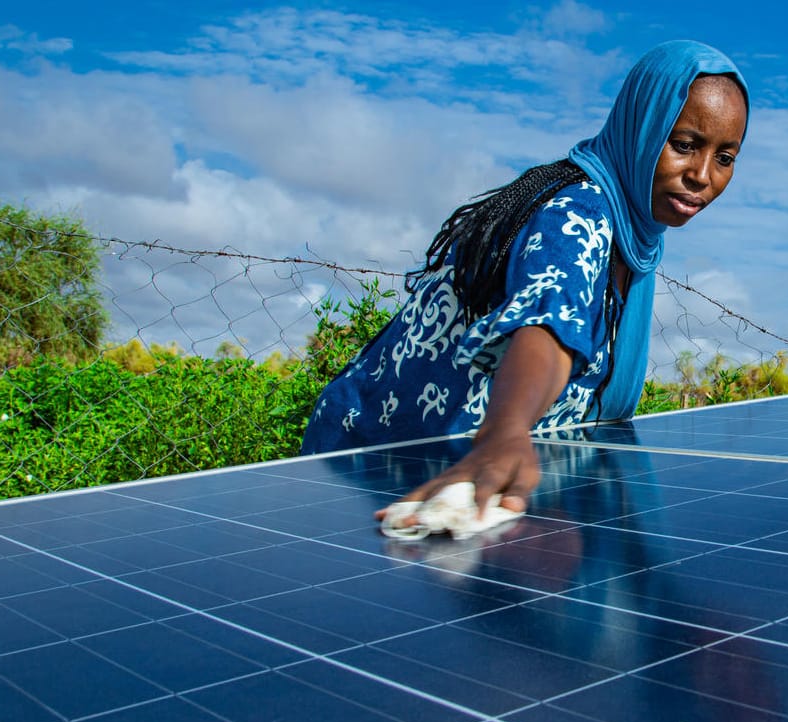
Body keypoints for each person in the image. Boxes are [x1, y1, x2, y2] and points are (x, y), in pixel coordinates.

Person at [301, 40, 749, 519]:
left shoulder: (635, 237)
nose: (702, 175)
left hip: (458, 472)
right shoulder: (575, 215)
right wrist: (508, 429)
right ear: (641, 126)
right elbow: (548, 329)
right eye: (684, 145)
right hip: (367, 465)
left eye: (725, 157)